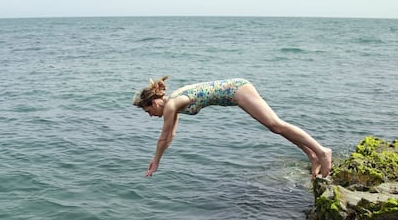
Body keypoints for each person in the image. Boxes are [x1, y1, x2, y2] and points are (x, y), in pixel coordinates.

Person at [132, 76, 333, 179]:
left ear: (154, 103)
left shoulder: (171, 105)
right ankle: (312, 156)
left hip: (237, 90)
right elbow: (171, 136)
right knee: (274, 128)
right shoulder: (172, 104)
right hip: (234, 94)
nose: (150, 115)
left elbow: (163, 137)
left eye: (147, 111)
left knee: (276, 124)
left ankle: (322, 151)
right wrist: (160, 157)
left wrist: (156, 161)